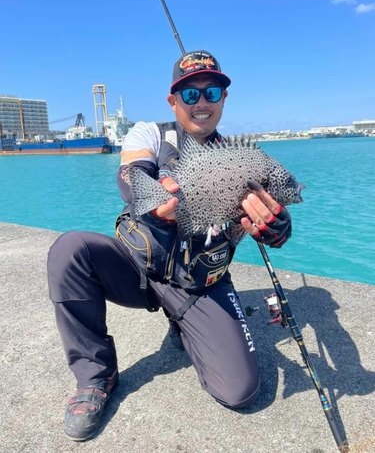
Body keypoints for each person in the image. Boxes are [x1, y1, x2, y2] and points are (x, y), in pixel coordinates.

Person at [47, 50, 292, 441]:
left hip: (200, 283)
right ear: (173, 100)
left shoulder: (246, 158)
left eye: (211, 92)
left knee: (240, 391)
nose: (202, 103)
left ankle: (184, 322)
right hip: (137, 268)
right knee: (69, 250)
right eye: (190, 94)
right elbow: (131, 175)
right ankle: (96, 376)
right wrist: (156, 199)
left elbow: (276, 208)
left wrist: (278, 227)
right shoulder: (149, 132)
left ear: (224, 98)